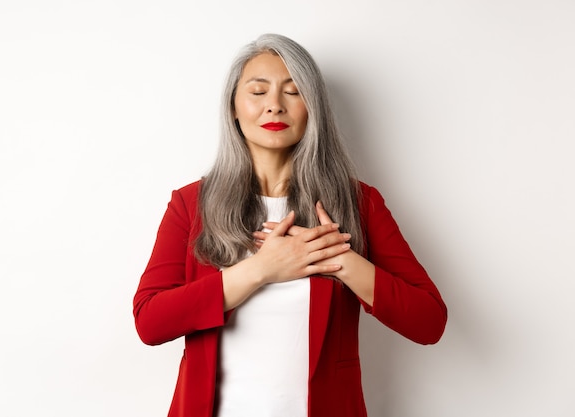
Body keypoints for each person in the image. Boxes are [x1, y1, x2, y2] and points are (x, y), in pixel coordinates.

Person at [133, 33, 447, 417]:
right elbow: (150, 321)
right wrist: (261, 269)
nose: (275, 107)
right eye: (258, 92)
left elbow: (429, 321)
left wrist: (340, 260)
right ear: (233, 106)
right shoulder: (191, 204)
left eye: (294, 92)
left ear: (313, 108)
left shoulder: (359, 203)